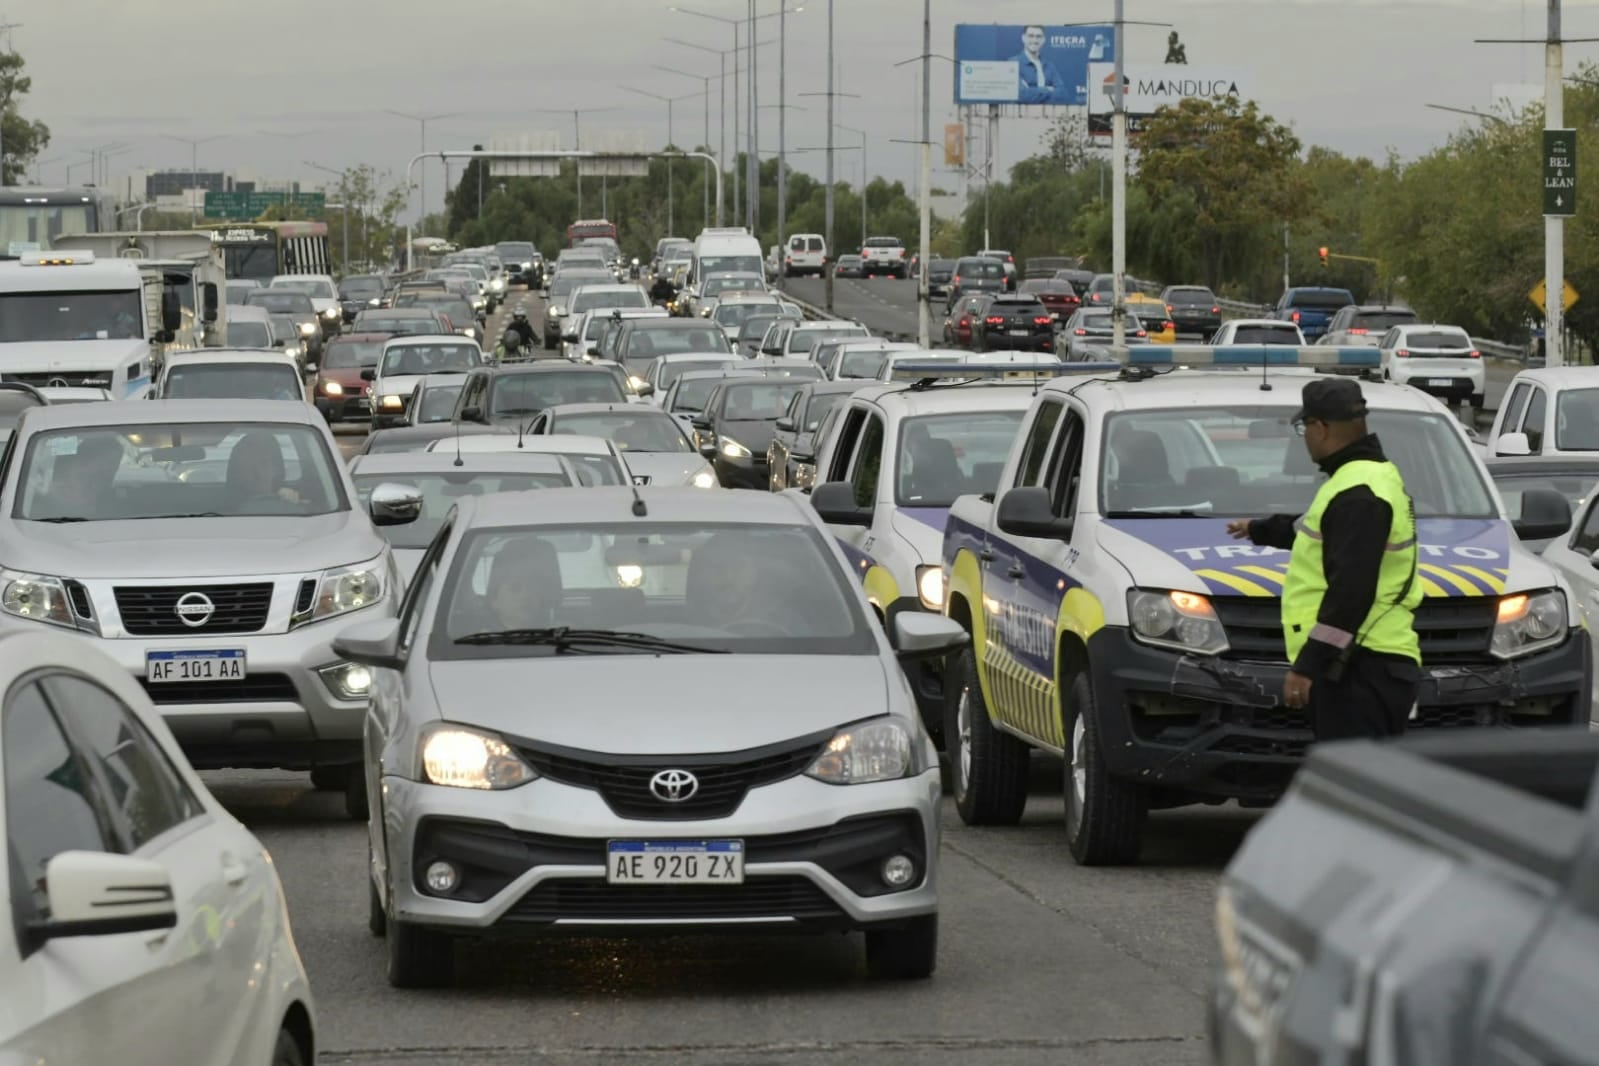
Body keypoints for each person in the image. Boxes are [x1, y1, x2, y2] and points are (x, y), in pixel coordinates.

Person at [1225, 378, 1423, 741]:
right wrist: (1257, 529)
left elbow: (1350, 594)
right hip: (1367, 662)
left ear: (1321, 427)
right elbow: (1311, 530)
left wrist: (1308, 666)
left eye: (1304, 427)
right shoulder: (1368, 477)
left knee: (1356, 788)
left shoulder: (1358, 494)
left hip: (1358, 665)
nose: (1304, 438)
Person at [227, 431, 304, 508]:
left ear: (276, 470)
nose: (258, 473)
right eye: (250, 466)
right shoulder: (224, 508)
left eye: (264, 464)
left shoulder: (293, 505)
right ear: (236, 472)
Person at [1010, 25, 1066, 105]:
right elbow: (1021, 95)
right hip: (1022, 115)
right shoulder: (1013, 63)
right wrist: (1048, 89)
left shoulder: (1049, 66)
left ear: (1043, 40)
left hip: (1048, 115)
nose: (1035, 40)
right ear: (1023, 38)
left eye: (1038, 36)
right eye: (1030, 36)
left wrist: (1031, 91)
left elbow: (1062, 93)